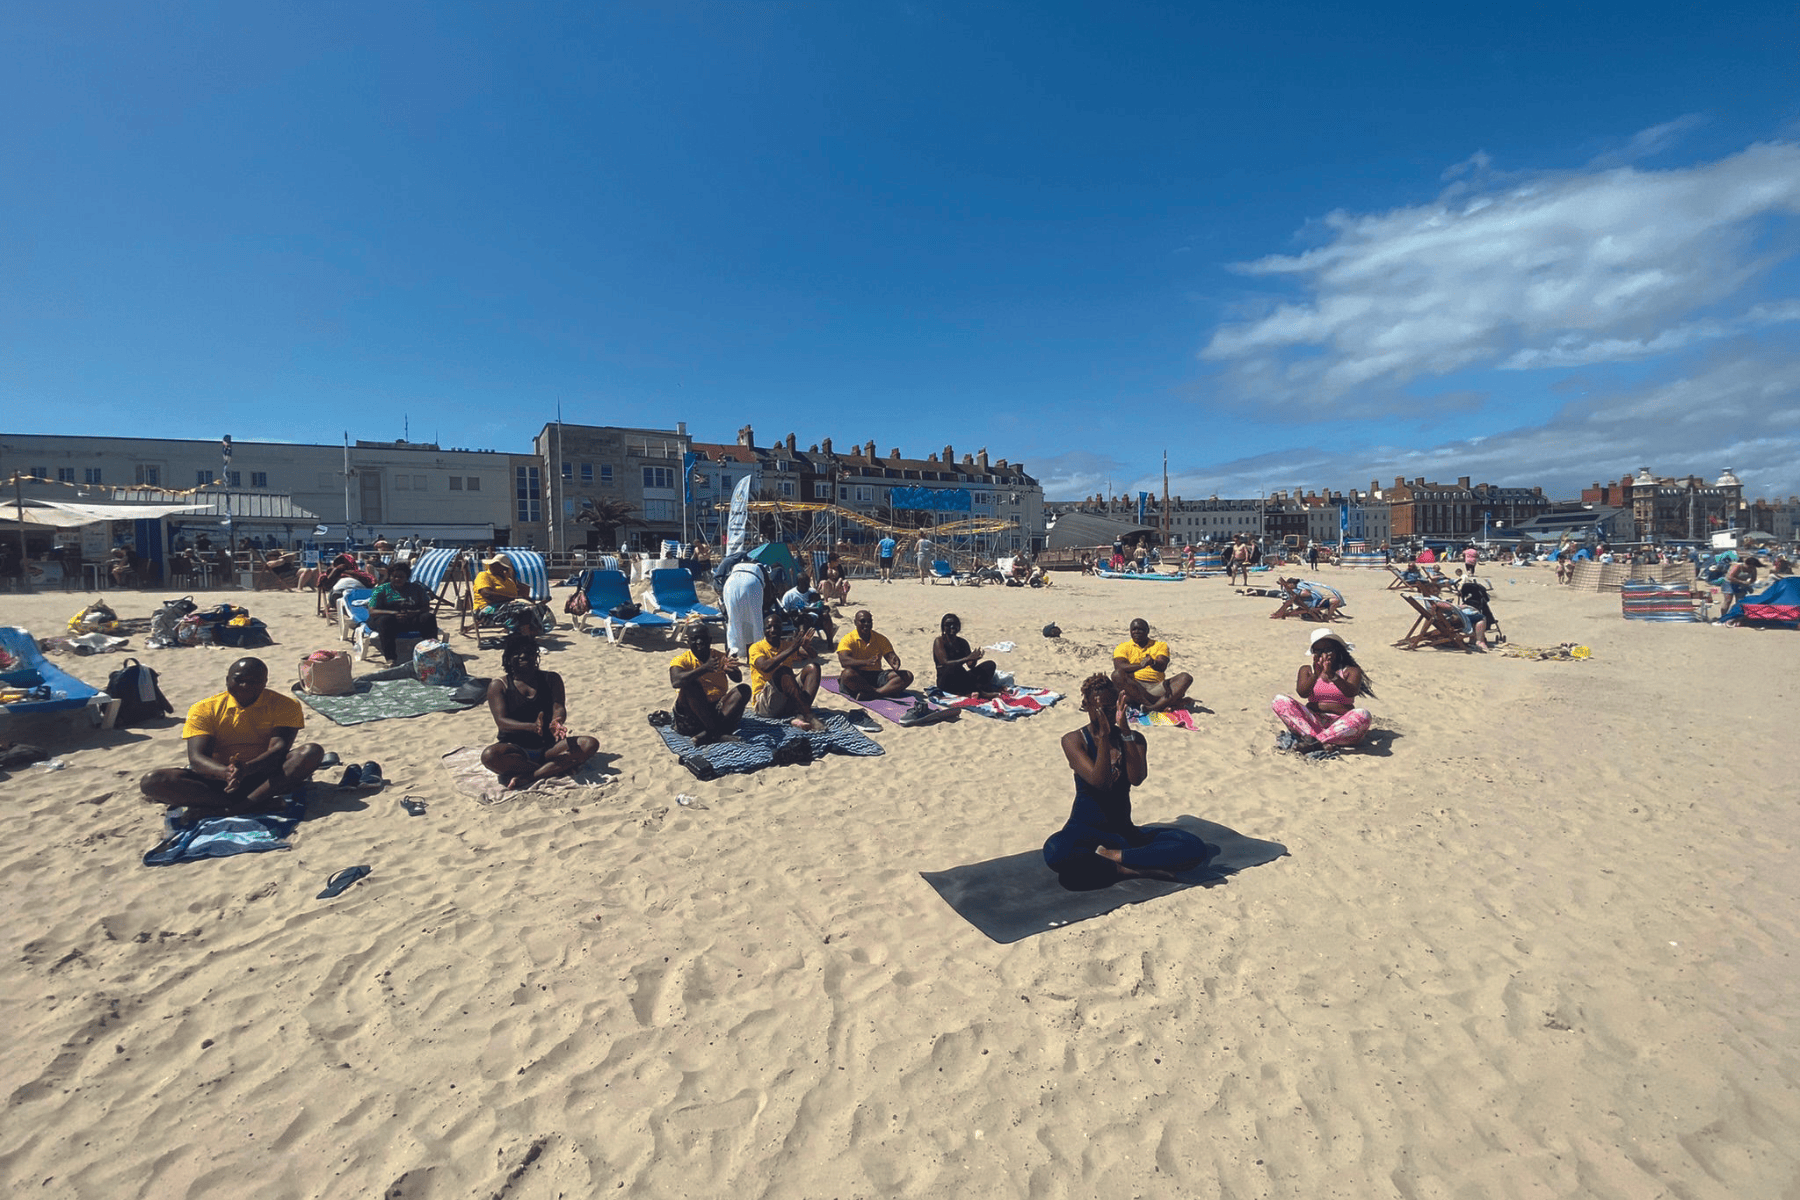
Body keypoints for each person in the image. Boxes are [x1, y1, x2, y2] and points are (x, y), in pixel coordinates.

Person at [1043, 673, 1210, 889]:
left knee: (1192, 846)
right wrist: (1104, 738)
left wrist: (1125, 731)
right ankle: (1129, 870)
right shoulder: (1074, 741)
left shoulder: (1135, 739)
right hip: (1083, 829)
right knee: (1057, 852)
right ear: (1086, 706)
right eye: (1100, 708)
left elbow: (1137, 778)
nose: (1107, 713)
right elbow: (1100, 782)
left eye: (1112, 707)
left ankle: (1112, 857)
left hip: (1122, 831)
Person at [139, 658, 326, 818]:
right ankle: (250, 803)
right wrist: (227, 773)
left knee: (311, 752)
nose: (245, 686)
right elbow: (196, 757)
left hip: (266, 775)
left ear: (265, 682)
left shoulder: (286, 705)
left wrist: (246, 769)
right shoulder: (204, 709)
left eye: (254, 681)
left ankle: (238, 807)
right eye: (239, 680)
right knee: (152, 781)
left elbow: (279, 749)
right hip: (219, 779)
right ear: (227, 680)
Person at [481, 633, 598, 789]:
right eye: (517, 653)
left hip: (549, 747)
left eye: (528, 652)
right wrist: (531, 727)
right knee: (489, 756)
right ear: (508, 657)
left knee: (589, 743)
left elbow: (559, 707)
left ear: (535, 655)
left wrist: (557, 722)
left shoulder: (552, 679)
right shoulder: (499, 685)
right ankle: (553, 768)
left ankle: (532, 776)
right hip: (516, 749)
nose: (523, 656)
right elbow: (501, 722)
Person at [1270, 628, 1375, 751]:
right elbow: (1302, 693)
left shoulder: (1351, 670)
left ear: (1337, 651)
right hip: (1313, 722)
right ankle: (1321, 740)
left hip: (1341, 724)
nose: (1324, 654)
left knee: (1363, 714)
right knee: (1279, 701)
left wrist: (1332, 675)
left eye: (1328, 650)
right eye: (1318, 651)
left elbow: (1351, 691)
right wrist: (1316, 674)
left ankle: (1315, 742)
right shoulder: (1306, 670)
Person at [668, 624, 750, 744]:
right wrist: (704, 668)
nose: (699, 642)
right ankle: (716, 733)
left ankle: (709, 733)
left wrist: (731, 671)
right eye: (694, 639)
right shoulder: (681, 660)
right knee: (690, 685)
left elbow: (738, 679)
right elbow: (676, 681)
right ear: (688, 641)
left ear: (710, 640)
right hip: (690, 716)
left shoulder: (720, 657)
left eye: (703, 638)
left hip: (715, 710)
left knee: (744, 689)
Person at [747, 610, 825, 729]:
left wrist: (806, 646)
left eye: (776, 627)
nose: (773, 630)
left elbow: (813, 655)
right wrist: (793, 647)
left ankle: (800, 715)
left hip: (786, 698)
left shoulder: (786, 645)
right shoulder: (756, 648)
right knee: (783, 671)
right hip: (766, 703)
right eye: (769, 627)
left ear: (781, 630)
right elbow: (765, 666)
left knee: (813, 668)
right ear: (763, 630)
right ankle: (808, 714)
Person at [1112, 618, 1193, 712]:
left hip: (1157, 686)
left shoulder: (1159, 645)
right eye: (1134, 629)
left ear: (1147, 631)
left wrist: (1152, 662)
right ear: (1130, 631)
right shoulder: (1122, 647)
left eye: (1140, 629)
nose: (1136, 632)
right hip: (1135, 687)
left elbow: (1162, 666)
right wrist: (1141, 665)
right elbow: (1119, 666)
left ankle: (1152, 707)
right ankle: (1154, 705)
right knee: (1116, 674)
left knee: (1186, 677)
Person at [366, 560, 441, 662]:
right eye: (394, 576)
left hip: (409, 618)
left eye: (401, 577)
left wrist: (413, 613)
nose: (397, 579)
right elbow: (373, 611)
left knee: (429, 617)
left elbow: (425, 607)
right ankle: (391, 658)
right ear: (390, 576)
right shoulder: (381, 589)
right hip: (389, 620)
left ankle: (432, 652)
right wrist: (394, 613)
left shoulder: (416, 588)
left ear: (407, 577)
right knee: (385, 621)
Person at [836, 609, 914, 699]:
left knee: (907, 676)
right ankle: (882, 691)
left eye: (869, 622)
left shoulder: (880, 638)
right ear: (855, 622)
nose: (866, 624)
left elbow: (890, 656)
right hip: (858, 675)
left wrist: (894, 661)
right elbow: (844, 661)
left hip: (876, 675)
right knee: (847, 674)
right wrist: (865, 662)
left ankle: (874, 693)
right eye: (862, 621)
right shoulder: (847, 639)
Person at [933, 613, 1001, 697]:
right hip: (946, 680)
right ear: (943, 627)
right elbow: (944, 662)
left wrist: (974, 659)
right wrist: (967, 658)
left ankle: (975, 688)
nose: (952, 627)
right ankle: (978, 691)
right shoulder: (939, 641)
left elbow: (970, 666)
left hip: (961, 676)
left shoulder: (962, 642)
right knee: (954, 666)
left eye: (954, 625)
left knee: (990, 665)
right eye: (948, 625)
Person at [721, 554, 768, 660]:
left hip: (730, 584)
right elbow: (768, 588)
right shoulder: (759, 566)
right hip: (752, 584)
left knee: (733, 621)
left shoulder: (734, 566)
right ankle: (757, 653)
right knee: (756, 621)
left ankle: (734, 653)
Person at [778, 571, 836, 645]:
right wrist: (794, 613)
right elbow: (784, 612)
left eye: (807, 583)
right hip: (799, 619)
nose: (807, 585)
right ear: (798, 583)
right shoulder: (789, 595)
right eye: (804, 584)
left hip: (814, 616)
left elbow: (818, 605)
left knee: (826, 616)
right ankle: (803, 643)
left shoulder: (812, 592)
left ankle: (830, 642)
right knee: (803, 619)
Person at [1271, 577, 1344, 621]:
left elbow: (1288, 602)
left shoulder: (1291, 592)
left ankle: (1327, 615)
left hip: (1312, 604)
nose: (1295, 584)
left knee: (1331, 598)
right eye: (1293, 583)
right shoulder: (1295, 591)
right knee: (1336, 600)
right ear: (1289, 584)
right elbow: (1306, 594)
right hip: (1315, 604)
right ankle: (1328, 617)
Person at [1718, 556, 1762, 620]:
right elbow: (1730, 577)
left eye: (1752, 567)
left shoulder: (1753, 569)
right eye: (1750, 567)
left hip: (1741, 585)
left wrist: (1749, 583)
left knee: (1740, 601)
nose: (1751, 568)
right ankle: (1723, 616)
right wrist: (1741, 581)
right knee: (1728, 600)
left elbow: (1753, 578)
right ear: (1746, 564)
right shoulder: (1738, 567)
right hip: (1729, 583)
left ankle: (1737, 616)